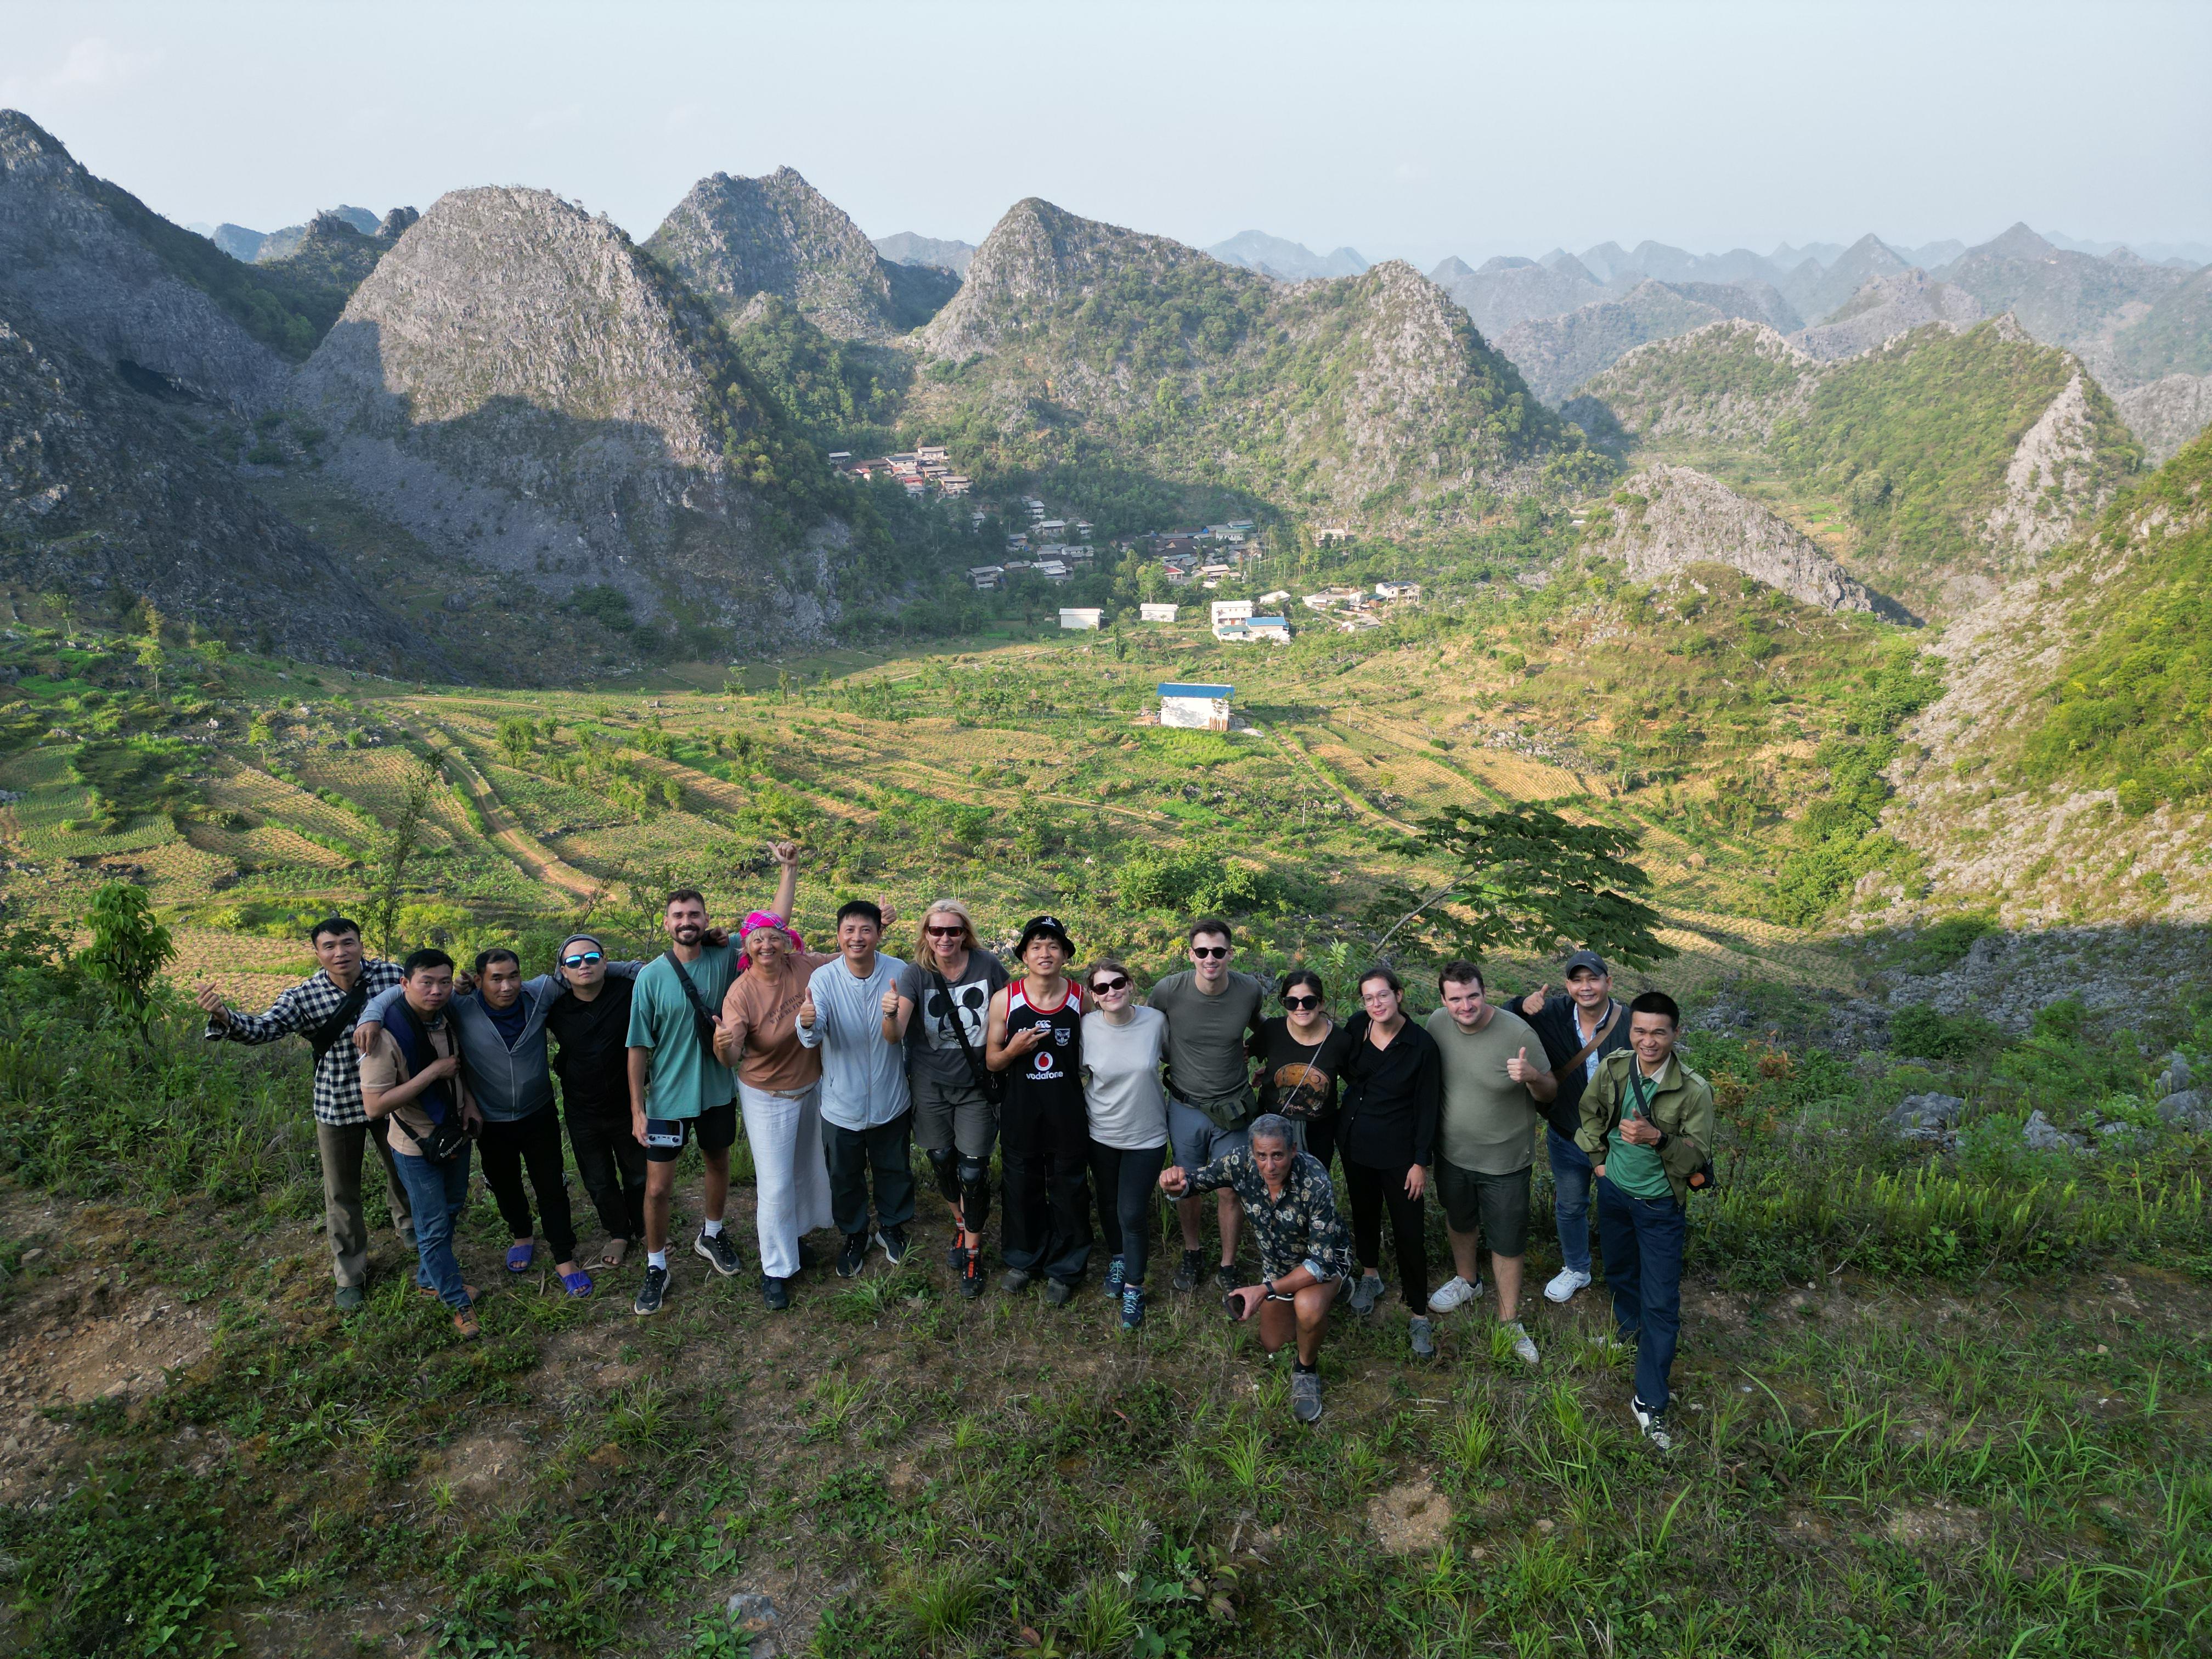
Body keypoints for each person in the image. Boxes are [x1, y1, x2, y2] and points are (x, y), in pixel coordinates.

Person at [358, 946, 636, 1297]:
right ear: (478, 981)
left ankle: (564, 1257)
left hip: (539, 1113)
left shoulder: (539, 993)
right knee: (505, 1185)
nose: (507, 987)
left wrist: (633, 967)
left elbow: (586, 966)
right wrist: (371, 1015)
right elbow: (409, 989)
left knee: (551, 1185)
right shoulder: (459, 1005)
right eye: (496, 979)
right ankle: (522, 1234)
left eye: (513, 976)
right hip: (489, 1119)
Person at [196, 916, 412, 1313]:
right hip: (337, 1103)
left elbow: (426, 1000)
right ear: (317, 953)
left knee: (404, 1172)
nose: (340, 952)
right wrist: (225, 1016)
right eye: (329, 946)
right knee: (341, 1192)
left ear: (361, 945)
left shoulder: (391, 976)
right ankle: (350, 1273)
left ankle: (414, 1235)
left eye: (347, 943)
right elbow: (264, 1029)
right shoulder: (303, 996)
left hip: (390, 1098)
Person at [1578, 991, 1714, 1452]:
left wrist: (1658, 1139)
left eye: (1659, 1032)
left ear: (1676, 1034)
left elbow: (1695, 1159)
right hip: (1614, 1192)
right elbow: (1589, 1113)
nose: (1649, 1041)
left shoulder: (1693, 1089)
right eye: (1640, 1030)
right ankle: (1626, 1330)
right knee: (1619, 1270)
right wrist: (1599, 1163)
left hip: (1659, 1207)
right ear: (1629, 1030)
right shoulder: (1616, 1067)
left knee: (1662, 1303)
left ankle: (1650, 1400)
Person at [1160, 1114, 1352, 1425]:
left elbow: (1319, 1262)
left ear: (1292, 1150)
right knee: (1273, 1343)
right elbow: (1194, 1183)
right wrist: (1173, 1186)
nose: (1270, 1165)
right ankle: (1306, 1308)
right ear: (1252, 1152)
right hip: (1277, 1267)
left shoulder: (1315, 1180)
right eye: (1262, 1156)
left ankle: (1306, 1370)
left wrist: (1263, 1291)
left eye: (1278, 1155)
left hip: (1322, 1263)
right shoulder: (1239, 1163)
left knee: (1308, 1308)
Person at [1423, 961, 1555, 1367]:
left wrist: (1532, 1075)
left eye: (1474, 996)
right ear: (1443, 1000)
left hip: (1505, 1160)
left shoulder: (1518, 1033)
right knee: (1460, 1219)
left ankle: (1509, 1320)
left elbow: (1550, 1092)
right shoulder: (1436, 1025)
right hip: (1453, 1153)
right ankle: (1468, 1281)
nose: (1466, 1006)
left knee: (1507, 1238)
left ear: (1485, 992)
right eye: (1457, 999)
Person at [625, 888, 749, 1317]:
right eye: (678, 915)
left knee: (718, 1162)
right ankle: (656, 1264)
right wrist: (638, 1108)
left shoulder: (727, 956)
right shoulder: (651, 977)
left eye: (694, 914)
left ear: (705, 918)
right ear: (666, 922)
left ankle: (711, 1233)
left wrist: (789, 870)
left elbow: (771, 923)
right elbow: (638, 1046)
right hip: (667, 1099)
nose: (686, 922)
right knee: (658, 1188)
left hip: (716, 1090)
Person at [358, 949, 484, 1337]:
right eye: (426, 982)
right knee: (431, 1227)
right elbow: (375, 1105)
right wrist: (432, 1072)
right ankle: (456, 1301)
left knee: (450, 1209)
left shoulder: (444, 1020)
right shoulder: (386, 1036)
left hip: (453, 1134)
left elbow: (456, 1069)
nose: (436, 990)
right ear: (405, 984)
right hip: (416, 1147)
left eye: (443, 982)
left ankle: (429, 1279)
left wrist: (470, 1104)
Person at [717, 905, 837, 1308]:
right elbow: (732, 1051)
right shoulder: (742, 992)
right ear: (747, 948)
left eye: (773, 937)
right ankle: (775, 1270)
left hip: (809, 1086)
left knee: (806, 1169)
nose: (766, 944)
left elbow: (847, 959)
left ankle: (795, 1241)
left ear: (787, 942)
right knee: (775, 1185)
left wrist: (878, 929)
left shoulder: (804, 966)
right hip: (767, 1096)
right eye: (757, 939)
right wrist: (724, 1047)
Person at [796, 900, 916, 1278]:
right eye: (849, 930)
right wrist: (807, 1022)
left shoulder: (899, 973)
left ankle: (892, 1228)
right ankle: (854, 1234)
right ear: (838, 936)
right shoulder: (825, 979)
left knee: (893, 1167)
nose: (857, 937)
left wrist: (892, 1013)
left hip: (890, 1097)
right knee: (844, 1175)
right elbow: (814, 1036)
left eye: (866, 929)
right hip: (840, 1102)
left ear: (880, 933)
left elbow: (898, 1034)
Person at [1147, 918, 1266, 1294]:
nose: (1210, 959)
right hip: (1185, 1105)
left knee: (1230, 1189)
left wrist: (1266, 1060)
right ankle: (1193, 1251)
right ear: (1191, 954)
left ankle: (1228, 1264)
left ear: (1231, 954)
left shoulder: (1249, 990)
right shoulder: (1169, 990)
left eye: (1218, 951)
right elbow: (1148, 1028)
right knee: (1187, 1184)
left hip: (1232, 1106)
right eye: (1202, 952)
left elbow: (1261, 1029)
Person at [897, 899, 1008, 1299]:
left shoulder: (987, 965)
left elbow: (1012, 1005)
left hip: (977, 1085)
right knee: (941, 1160)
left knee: (974, 1172)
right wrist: (891, 1015)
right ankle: (962, 1225)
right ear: (926, 934)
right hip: (929, 1085)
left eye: (953, 930)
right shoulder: (915, 974)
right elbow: (896, 1030)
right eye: (937, 930)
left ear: (965, 933)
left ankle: (974, 1250)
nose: (945, 938)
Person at [985, 915, 1092, 1301]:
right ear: (1024, 956)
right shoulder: (1007, 999)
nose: (1045, 953)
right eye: (1036, 946)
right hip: (1021, 1107)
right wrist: (1014, 1050)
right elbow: (992, 1061)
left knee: (1069, 1185)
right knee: (1020, 1183)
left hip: (1067, 1107)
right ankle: (1022, 1259)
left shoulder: (1082, 998)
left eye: (1053, 946)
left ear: (1065, 954)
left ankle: (1065, 1267)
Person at [1338, 967, 1444, 1358]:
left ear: (1399, 995)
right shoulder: (1356, 1028)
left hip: (1400, 1154)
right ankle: (1370, 1276)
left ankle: (1418, 1312)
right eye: (1368, 998)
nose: (1376, 1004)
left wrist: (1420, 1162)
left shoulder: (1421, 1046)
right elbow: (1335, 1063)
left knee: (1409, 1232)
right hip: (1355, 1142)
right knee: (1364, 1214)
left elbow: (1427, 1107)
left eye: (1382, 995)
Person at [1519, 951, 1634, 1304]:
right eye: (1577, 980)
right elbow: (1499, 1016)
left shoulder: (1629, 1021)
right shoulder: (1551, 1014)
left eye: (1593, 979)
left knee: (1620, 1208)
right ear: (1568, 985)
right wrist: (1525, 1003)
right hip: (1567, 1133)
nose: (1586, 987)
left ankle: (1625, 1275)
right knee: (1570, 1206)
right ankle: (1577, 1268)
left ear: (1608, 982)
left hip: (1616, 1141)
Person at [544, 934, 648, 1267]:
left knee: (637, 1174)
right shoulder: (555, 1009)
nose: (584, 966)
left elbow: (666, 970)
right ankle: (618, 1233)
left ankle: (645, 1229)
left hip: (627, 1104)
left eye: (591, 958)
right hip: (581, 1109)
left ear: (606, 962)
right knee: (599, 1180)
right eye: (574, 962)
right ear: (563, 971)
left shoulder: (629, 993)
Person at [1080, 957, 1169, 1330]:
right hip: (1101, 1133)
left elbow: (1180, 1062)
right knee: (1108, 1200)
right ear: (1093, 995)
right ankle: (1118, 1257)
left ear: (1131, 985)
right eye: (1101, 988)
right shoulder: (1086, 1028)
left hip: (1147, 1136)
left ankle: (1134, 1285)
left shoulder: (1155, 1022)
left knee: (1132, 1212)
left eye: (1117, 984)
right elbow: (1077, 1075)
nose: (1111, 992)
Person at [1250, 970, 1353, 1175]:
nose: (1300, 1008)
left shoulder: (1340, 1041)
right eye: (1292, 1002)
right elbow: (1240, 1055)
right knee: (1272, 1185)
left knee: (1312, 1189)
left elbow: (1356, 1081)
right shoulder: (1272, 1031)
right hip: (1273, 1129)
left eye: (1308, 1001)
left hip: (1319, 1133)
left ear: (1321, 1002)